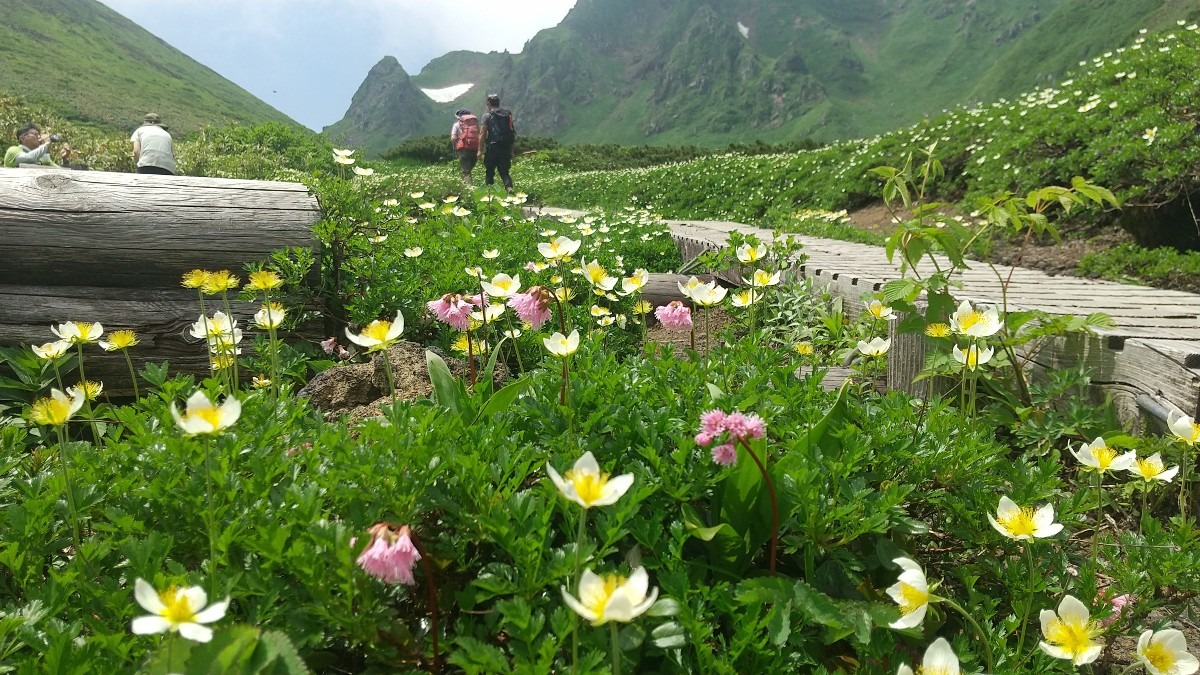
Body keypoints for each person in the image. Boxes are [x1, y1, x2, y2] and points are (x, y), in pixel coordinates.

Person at [478, 94, 516, 192]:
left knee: (490, 171)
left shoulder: (487, 116)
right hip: (505, 147)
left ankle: (489, 193)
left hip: (492, 147)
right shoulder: (507, 115)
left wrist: (479, 151)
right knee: (504, 172)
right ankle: (509, 188)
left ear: (488, 104)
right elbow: (511, 133)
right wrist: (511, 151)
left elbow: (482, 134)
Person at [4, 123, 70, 168]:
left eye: (39, 134)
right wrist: (46, 144)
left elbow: (60, 171)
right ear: (22, 138)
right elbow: (29, 158)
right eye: (35, 134)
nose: (39, 137)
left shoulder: (43, 157)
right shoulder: (13, 150)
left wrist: (65, 160)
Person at [450, 109, 479, 183]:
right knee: (468, 169)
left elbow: (453, 138)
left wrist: (455, 147)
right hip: (475, 148)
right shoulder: (475, 125)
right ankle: (463, 183)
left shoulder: (457, 125)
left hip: (463, 149)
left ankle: (469, 189)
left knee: (466, 171)